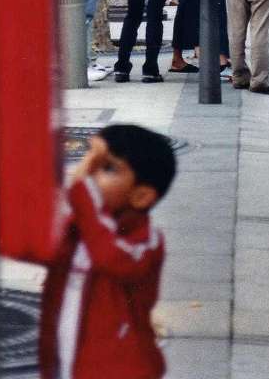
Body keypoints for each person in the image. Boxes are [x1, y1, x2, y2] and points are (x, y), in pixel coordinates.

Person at [38, 124, 176, 379]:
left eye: (108, 167)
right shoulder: (82, 229)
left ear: (141, 196)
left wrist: (82, 192)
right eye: (92, 163)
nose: (90, 175)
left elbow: (110, 257)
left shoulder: (146, 242)